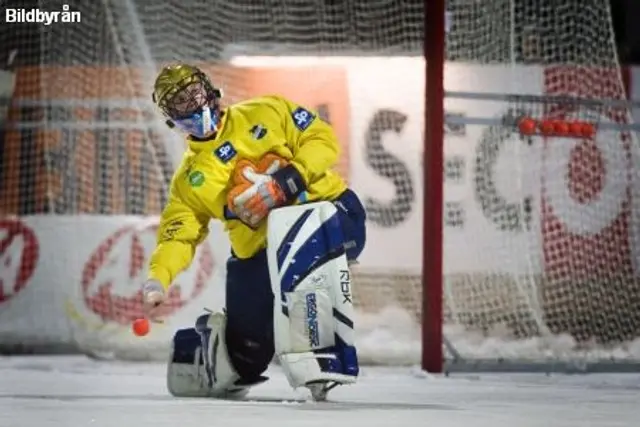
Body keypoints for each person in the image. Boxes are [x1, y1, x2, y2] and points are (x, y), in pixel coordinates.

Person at [142, 63, 367, 399]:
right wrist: (157, 279)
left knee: (296, 232)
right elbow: (178, 236)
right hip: (259, 254)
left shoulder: (267, 110)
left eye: (195, 93)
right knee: (246, 356)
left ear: (211, 90)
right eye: (181, 102)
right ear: (171, 118)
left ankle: (320, 354)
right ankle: (203, 353)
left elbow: (321, 137)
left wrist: (290, 179)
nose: (192, 104)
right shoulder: (189, 181)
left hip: (334, 214)